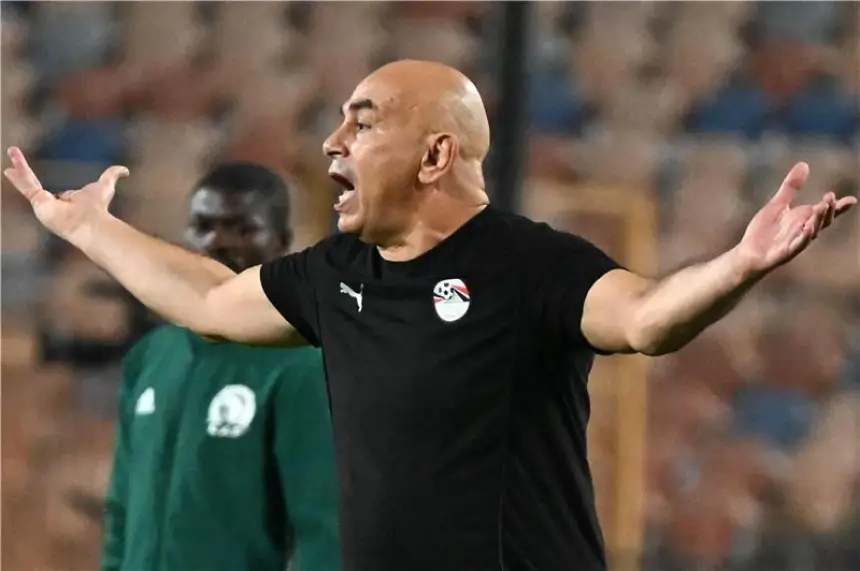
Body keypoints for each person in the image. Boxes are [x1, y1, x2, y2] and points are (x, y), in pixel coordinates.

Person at [5, 59, 855, 571]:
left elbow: (644, 319)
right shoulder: (336, 274)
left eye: (362, 123)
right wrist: (90, 229)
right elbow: (205, 297)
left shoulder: (528, 264)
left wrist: (738, 267)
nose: (333, 142)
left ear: (436, 155)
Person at [98, 164, 342, 571]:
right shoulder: (152, 356)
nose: (217, 241)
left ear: (282, 242)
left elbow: (324, 529)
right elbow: (122, 510)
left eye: (242, 227)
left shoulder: (302, 365)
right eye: (203, 225)